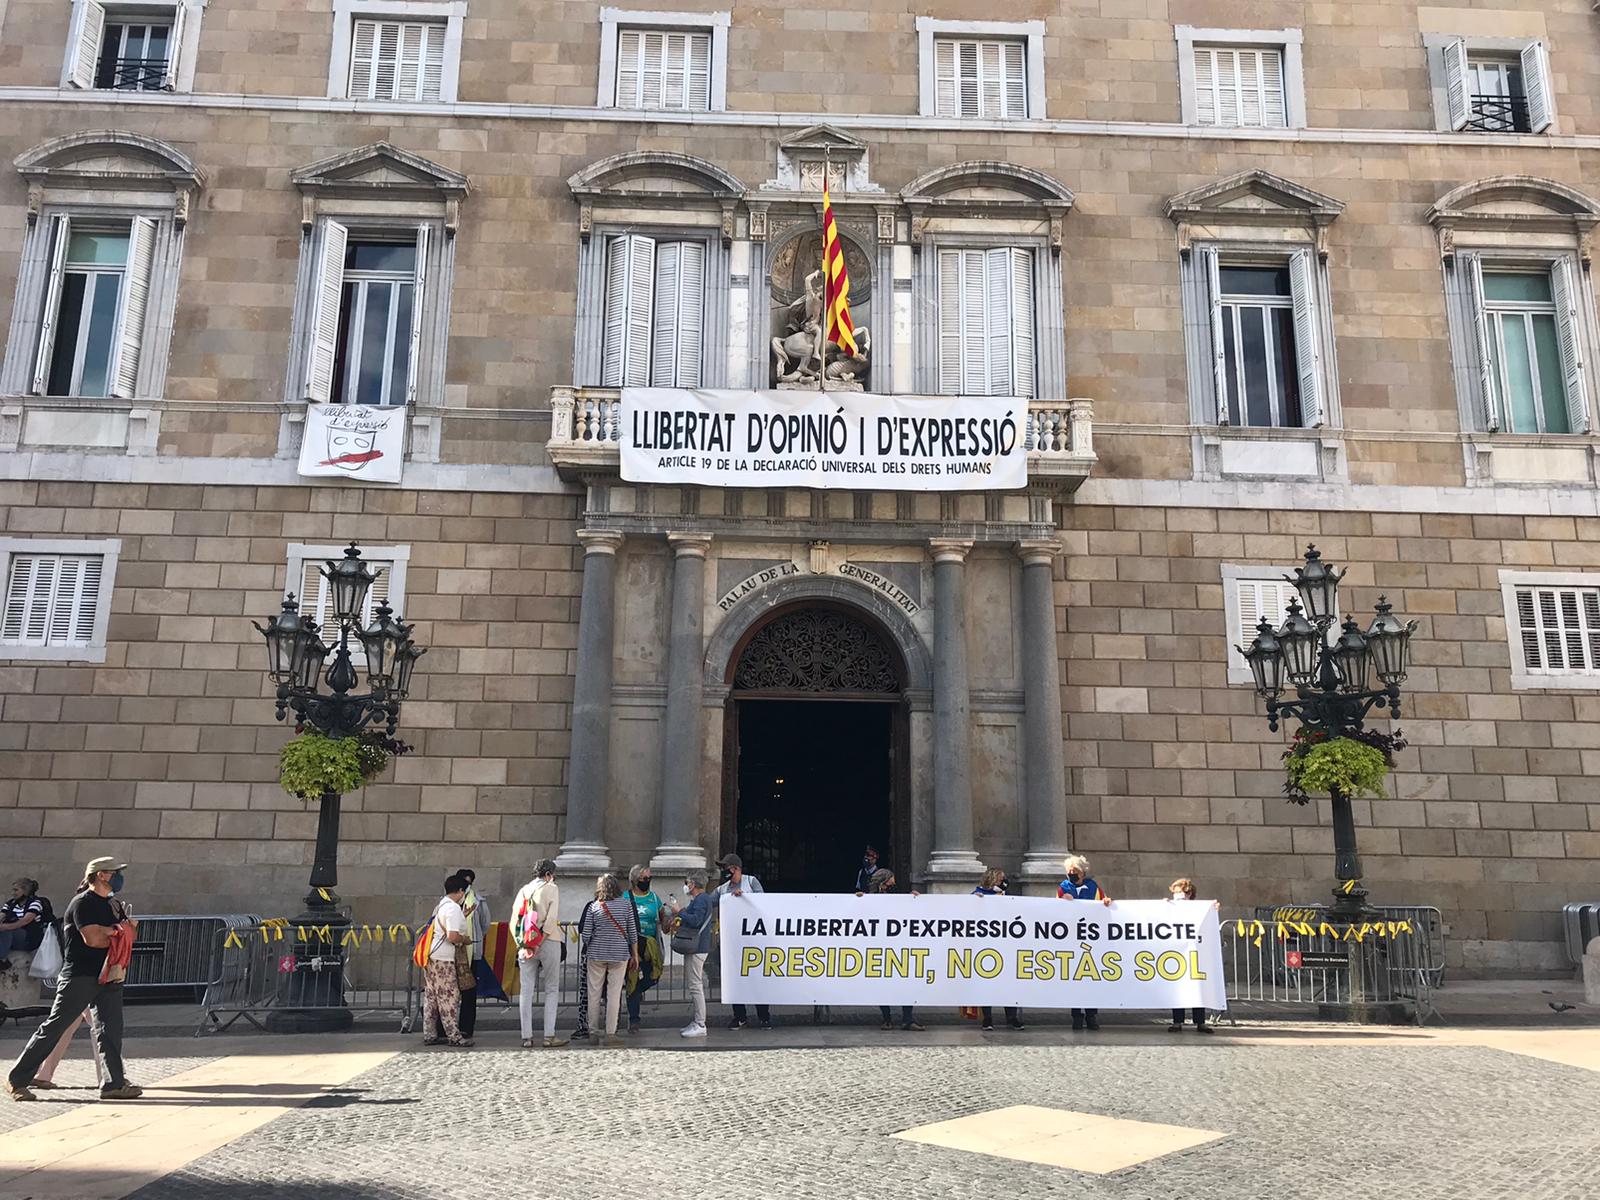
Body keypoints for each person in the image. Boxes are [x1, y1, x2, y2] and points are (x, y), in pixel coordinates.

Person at [6, 857, 141, 1102]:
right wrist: (118, 932)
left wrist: (115, 932)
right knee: (55, 1027)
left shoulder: (113, 905)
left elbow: (130, 934)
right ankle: (17, 1079)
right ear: (101, 875)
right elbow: (93, 939)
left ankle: (113, 1084)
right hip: (80, 976)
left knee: (110, 1030)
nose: (120, 876)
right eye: (115, 872)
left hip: (109, 973)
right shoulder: (82, 903)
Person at [857, 867, 923, 1031]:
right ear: (884, 880)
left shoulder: (896, 895)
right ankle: (887, 1019)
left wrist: (913, 899)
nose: (894, 881)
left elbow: (906, 909)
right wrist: (858, 899)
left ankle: (907, 1019)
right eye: (892, 878)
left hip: (898, 947)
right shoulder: (869, 898)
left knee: (906, 983)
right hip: (879, 947)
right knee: (883, 985)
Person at [577, 874, 638, 1046]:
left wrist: (594, 943)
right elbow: (632, 932)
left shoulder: (594, 906)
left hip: (596, 954)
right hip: (619, 954)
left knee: (594, 993)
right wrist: (634, 955)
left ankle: (593, 1032)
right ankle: (611, 1033)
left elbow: (586, 934)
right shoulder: (626, 905)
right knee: (614, 994)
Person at [512, 860, 566, 1049]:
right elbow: (551, 920)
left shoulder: (523, 890)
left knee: (526, 990)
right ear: (549, 873)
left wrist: (525, 944)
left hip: (525, 944)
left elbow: (514, 921)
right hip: (548, 941)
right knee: (551, 988)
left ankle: (526, 1036)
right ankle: (549, 1035)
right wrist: (538, 942)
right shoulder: (552, 888)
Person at [1058, 855, 1112, 1032]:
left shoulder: (1093, 887)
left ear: (1082, 872)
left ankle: (1091, 1014)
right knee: (1075, 978)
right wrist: (1062, 901)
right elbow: (1054, 909)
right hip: (1072, 939)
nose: (1071, 874)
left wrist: (1106, 902)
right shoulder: (1063, 888)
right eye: (1069, 872)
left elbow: (1103, 902)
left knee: (1090, 978)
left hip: (1091, 938)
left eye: (1075, 872)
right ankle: (1076, 1015)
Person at [715, 854, 770, 1030]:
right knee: (735, 980)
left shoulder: (751, 882)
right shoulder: (722, 889)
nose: (724, 871)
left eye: (726, 868)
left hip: (754, 940)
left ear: (735, 869)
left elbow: (764, 903)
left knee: (758, 980)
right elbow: (708, 902)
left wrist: (745, 897)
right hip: (733, 942)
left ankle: (764, 1016)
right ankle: (740, 1017)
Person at [421, 874, 472, 1048]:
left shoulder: (442, 905)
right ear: (459, 891)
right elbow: (452, 936)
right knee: (449, 996)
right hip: (444, 958)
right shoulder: (452, 908)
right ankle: (454, 1035)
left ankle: (430, 1033)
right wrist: (464, 939)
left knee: (432, 996)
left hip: (432, 956)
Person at [973, 868, 1024, 1031]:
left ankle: (1012, 1017)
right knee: (986, 983)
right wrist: (977, 901)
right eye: (1000, 879)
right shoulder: (977, 894)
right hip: (985, 946)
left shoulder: (1006, 896)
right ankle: (987, 1018)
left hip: (1006, 946)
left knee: (1009, 982)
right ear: (992, 879)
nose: (1003, 882)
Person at [1166, 878, 1216, 1034]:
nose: (1178, 896)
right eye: (1176, 893)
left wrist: (1213, 909)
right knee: (1177, 987)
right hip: (1176, 953)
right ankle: (1177, 1021)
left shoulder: (1198, 909)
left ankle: (1200, 1022)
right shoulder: (1169, 907)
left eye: (1181, 892)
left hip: (1195, 952)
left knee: (1197, 987)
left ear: (1189, 894)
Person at [625, 864, 666, 1034]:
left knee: (654, 976)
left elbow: (663, 919)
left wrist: (669, 923)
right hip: (630, 945)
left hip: (650, 946)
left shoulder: (654, 898)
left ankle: (637, 991)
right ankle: (634, 1019)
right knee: (632, 980)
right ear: (635, 880)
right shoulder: (625, 897)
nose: (647, 881)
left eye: (649, 878)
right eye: (644, 878)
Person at [675, 871, 714, 1038]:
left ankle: (700, 1023)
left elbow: (696, 920)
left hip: (698, 947)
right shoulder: (701, 899)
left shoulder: (701, 899)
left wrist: (679, 911)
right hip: (697, 947)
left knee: (696, 985)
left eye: (688, 882)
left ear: (694, 884)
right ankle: (697, 1021)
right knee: (694, 984)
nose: (686, 885)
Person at [0, 879, 50, 961]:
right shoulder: (11, 903)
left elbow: (25, 921)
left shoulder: (35, 903)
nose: (13, 893)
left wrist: (4, 927)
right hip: (14, 937)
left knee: (6, 931)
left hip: (28, 938)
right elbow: (2, 915)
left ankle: (1, 959)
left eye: (16, 890)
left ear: (25, 891)